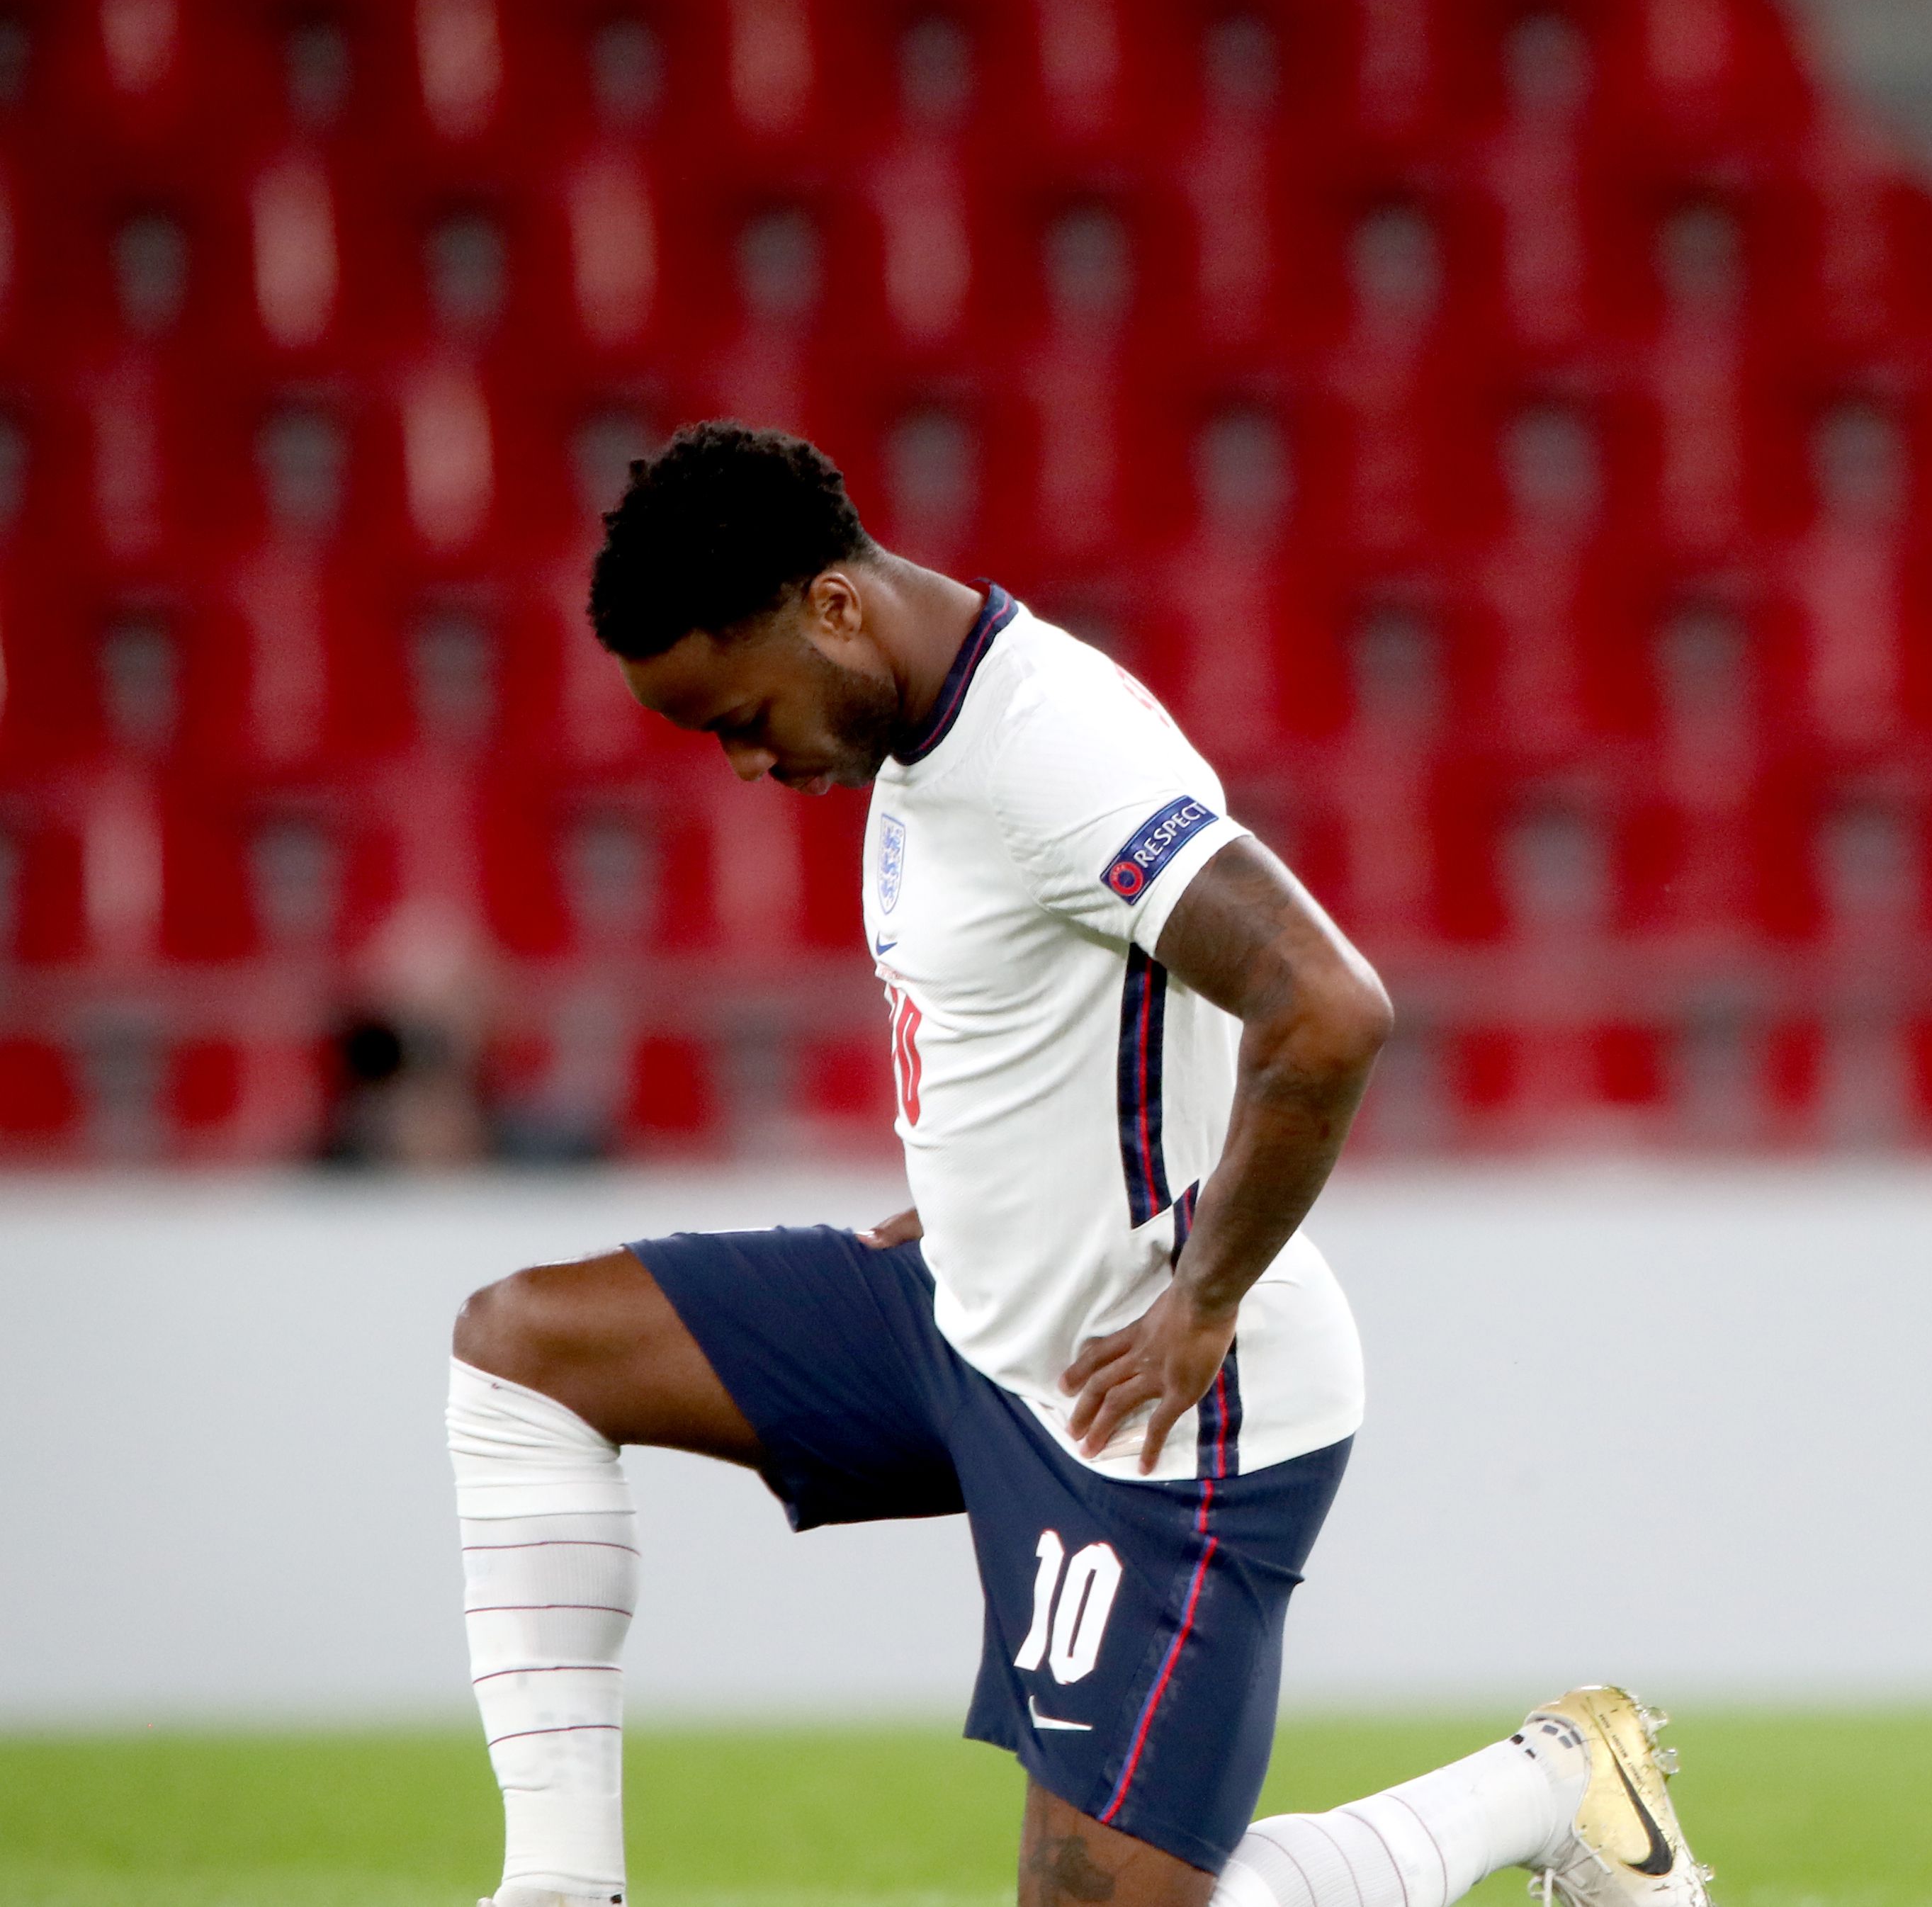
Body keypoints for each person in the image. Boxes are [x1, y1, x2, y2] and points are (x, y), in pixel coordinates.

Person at [448, 423, 1714, 1907]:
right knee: (525, 1349)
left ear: (834, 610)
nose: (741, 761)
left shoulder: (1052, 752)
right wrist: (981, 1183)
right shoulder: (922, 733)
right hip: (962, 1318)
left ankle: (1557, 1781)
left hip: (1146, 1393)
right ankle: (555, 1893)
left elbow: (1328, 1008)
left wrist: (1202, 1298)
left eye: (740, 713)